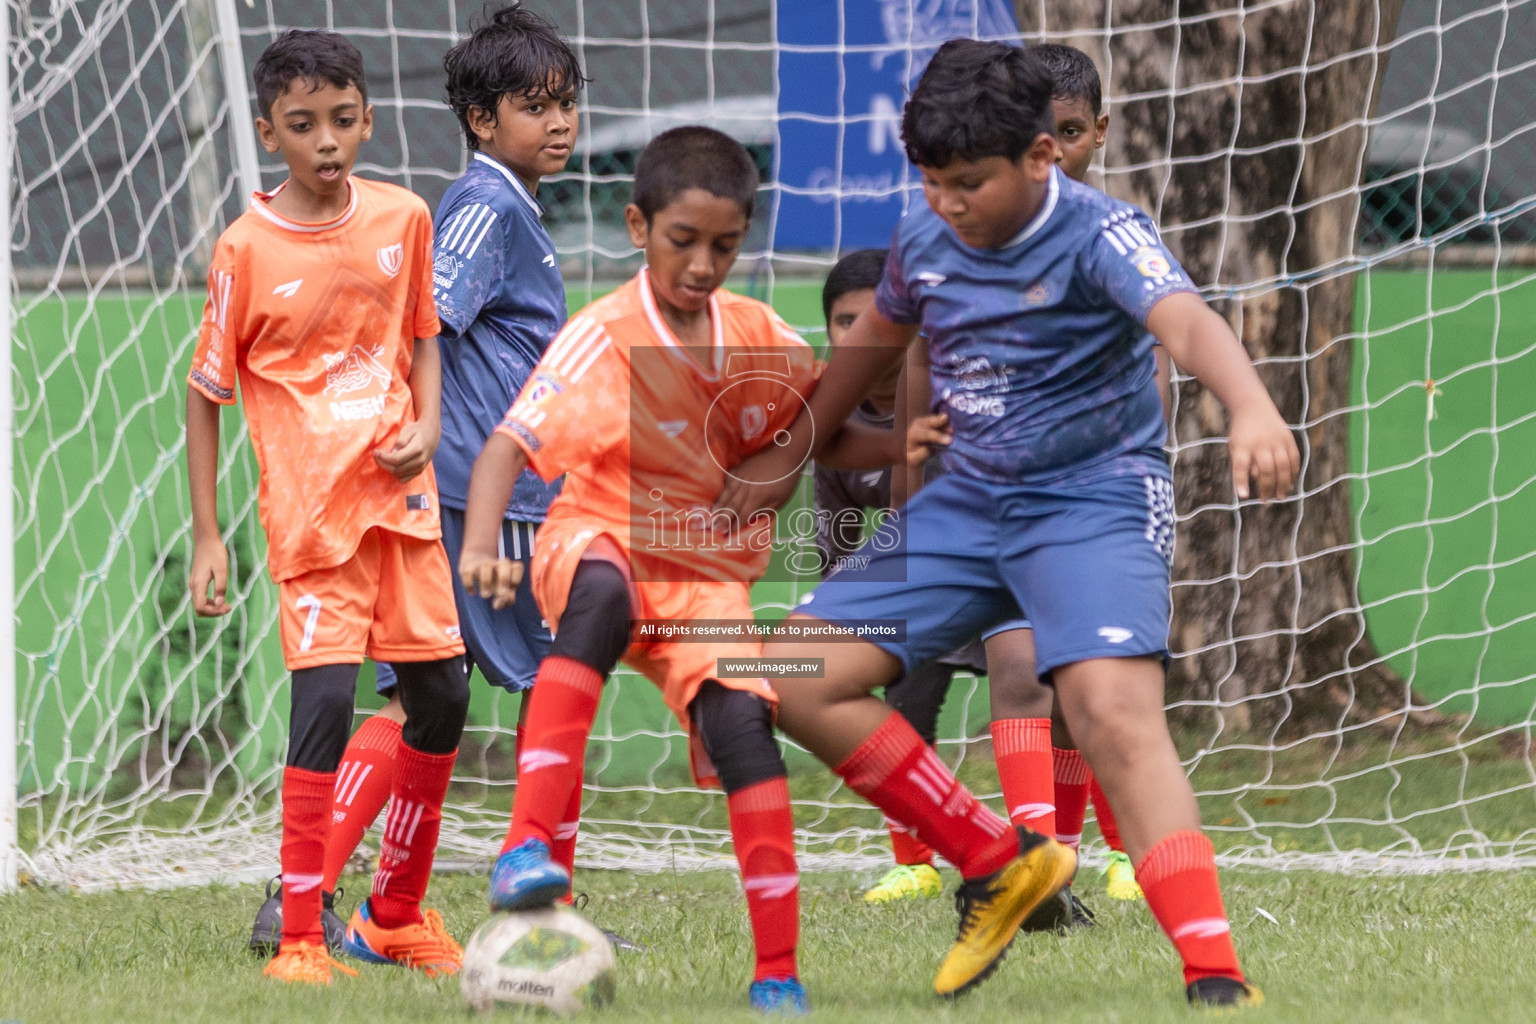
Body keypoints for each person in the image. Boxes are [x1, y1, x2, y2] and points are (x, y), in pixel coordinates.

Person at [720, 39, 1297, 1007]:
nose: (948, 204)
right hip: (967, 503)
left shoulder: (1104, 234)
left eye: (969, 184)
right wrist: (782, 457)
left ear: (1043, 156)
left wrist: (1251, 404)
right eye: (932, 182)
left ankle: (1216, 976)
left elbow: (1186, 321)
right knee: (798, 677)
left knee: (1114, 715)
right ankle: (996, 860)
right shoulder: (926, 238)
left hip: (1094, 502)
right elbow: (868, 352)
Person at [457, 126, 850, 1014]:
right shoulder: (601, 336)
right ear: (637, 227)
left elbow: (818, 407)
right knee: (600, 591)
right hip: (594, 533)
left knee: (745, 727)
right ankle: (526, 848)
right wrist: (482, 548)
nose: (705, 264)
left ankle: (777, 973)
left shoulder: (755, 333)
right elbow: (505, 449)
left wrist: (773, 478)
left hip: (699, 569)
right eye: (684, 242)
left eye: (726, 246)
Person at [244, 4, 598, 953]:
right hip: (476, 490)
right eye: (536, 105)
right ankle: (533, 894)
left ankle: (314, 896)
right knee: (559, 675)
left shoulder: (507, 203)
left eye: (569, 103)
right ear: (482, 120)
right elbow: (415, 316)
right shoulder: (483, 206)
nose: (560, 122)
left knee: (427, 697)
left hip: (459, 484)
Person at [186, 30, 470, 985]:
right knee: (321, 707)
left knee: (442, 698)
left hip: (402, 508)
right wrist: (207, 534)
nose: (326, 141)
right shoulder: (246, 247)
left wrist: (427, 426)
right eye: (302, 125)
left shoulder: (403, 217)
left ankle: (393, 915)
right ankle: (302, 937)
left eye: (342, 121)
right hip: (312, 522)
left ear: (368, 120)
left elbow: (425, 334)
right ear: (271, 134)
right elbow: (205, 389)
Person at [812, 253, 1058, 920]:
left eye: (876, 316)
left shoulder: (957, 391)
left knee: (1037, 684)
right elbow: (839, 549)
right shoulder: (833, 421)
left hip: (1003, 564)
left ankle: (1056, 854)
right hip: (916, 575)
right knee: (894, 696)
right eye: (844, 320)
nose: (862, 330)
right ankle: (914, 864)